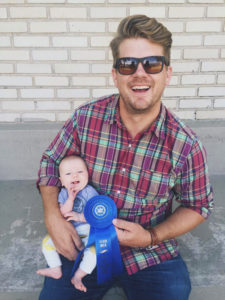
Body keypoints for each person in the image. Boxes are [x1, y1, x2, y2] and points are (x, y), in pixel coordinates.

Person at [37, 15, 214, 300]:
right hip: (83, 244)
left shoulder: (186, 145)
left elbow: (199, 205)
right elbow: (50, 162)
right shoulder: (86, 119)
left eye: (152, 64)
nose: (139, 73)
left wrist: (152, 236)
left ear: (167, 74)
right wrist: (52, 218)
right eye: (128, 64)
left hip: (149, 255)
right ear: (115, 74)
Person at [37, 155, 98, 292]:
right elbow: (63, 213)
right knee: (46, 243)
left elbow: (96, 214)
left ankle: (79, 275)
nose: (74, 175)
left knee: (94, 252)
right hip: (68, 233)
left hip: (87, 232)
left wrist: (80, 216)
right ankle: (55, 268)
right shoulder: (63, 194)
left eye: (80, 172)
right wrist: (70, 199)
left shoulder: (90, 192)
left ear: (87, 175)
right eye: (68, 174)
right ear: (62, 181)